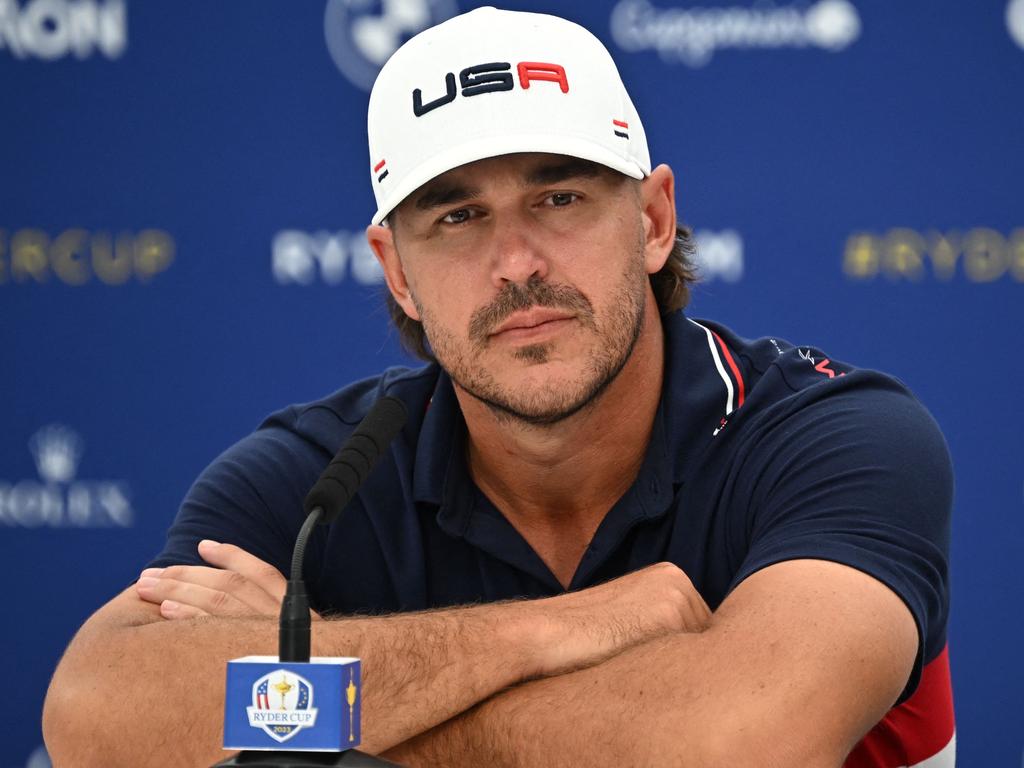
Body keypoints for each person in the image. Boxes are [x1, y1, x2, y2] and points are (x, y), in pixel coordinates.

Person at [42, 7, 954, 767]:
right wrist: (556, 631)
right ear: (397, 271)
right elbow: (97, 718)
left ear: (652, 220)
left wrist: (324, 694)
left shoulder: (834, 437)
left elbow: (738, 741)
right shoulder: (318, 479)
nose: (515, 264)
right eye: (458, 217)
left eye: (559, 199)